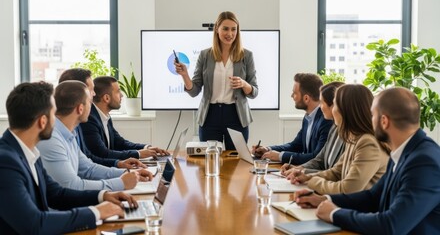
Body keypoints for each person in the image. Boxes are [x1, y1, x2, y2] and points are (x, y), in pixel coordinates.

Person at [294, 87, 440, 234]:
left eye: (372, 115)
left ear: (384, 121)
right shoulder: (403, 152)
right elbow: (373, 197)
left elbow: (391, 225)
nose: (370, 120)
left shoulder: (425, 162)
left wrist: (334, 214)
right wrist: (324, 199)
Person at [0, 82, 137, 234]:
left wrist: (103, 196)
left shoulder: (28, 152)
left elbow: (57, 194)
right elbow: (34, 223)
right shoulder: (6, 162)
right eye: (54, 113)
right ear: (42, 121)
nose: (57, 120)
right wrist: (95, 212)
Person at [37, 81, 153, 191]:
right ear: (80, 109)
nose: (92, 107)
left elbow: (88, 169)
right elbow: (72, 185)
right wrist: (121, 183)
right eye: (90, 102)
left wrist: (128, 173)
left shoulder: (69, 134)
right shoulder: (51, 138)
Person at [174, 11, 258, 150]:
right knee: (209, 162)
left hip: (236, 116)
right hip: (210, 116)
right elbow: (194, 91)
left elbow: (254, 92)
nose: (229, 33)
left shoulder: (246, 55)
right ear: (217, 29)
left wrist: (243, 84)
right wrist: (184, 75)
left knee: (237, 163)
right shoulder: (205, 55)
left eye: (233, 29)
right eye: (225, 28)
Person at [291, 84, 389, 194]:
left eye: (335, 105)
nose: (333, 110)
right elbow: (337, 172)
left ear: (346, 110)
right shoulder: (354, 138)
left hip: (360, 209)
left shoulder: (367, 143)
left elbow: (348, 189)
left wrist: (313, 182)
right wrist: (307, 177)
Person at [58, 68, 145, 169]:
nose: (94, 94)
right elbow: (98, 157)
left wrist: (120, 166)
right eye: (91, 90)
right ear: (77, 92)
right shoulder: (86, 121)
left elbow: (87, 163)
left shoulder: (75, 128)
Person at [80, 76, 169, 160]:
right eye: (118, 91)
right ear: (106, 98)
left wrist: (147, 148)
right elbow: (102, 154)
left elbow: (120, 143)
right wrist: (138, 154)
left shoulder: (105, 116)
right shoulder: (89, 119)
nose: (122, 95)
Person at [253, 73, 333, 164]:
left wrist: (280, 156)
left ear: (306, 98)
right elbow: (296, 146)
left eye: (294, 93)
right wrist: (268, 149)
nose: (292, 96)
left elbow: (316, 157)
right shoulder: (308, 117)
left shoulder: (326, 120)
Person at [282, 81, 345, 176]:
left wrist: (304, 173)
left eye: (322, 103)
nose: (320, 107)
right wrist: (299, 168)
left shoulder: (351, 137)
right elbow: (320, 159)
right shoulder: (334, 129)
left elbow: (336, 174)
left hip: (328, 187)